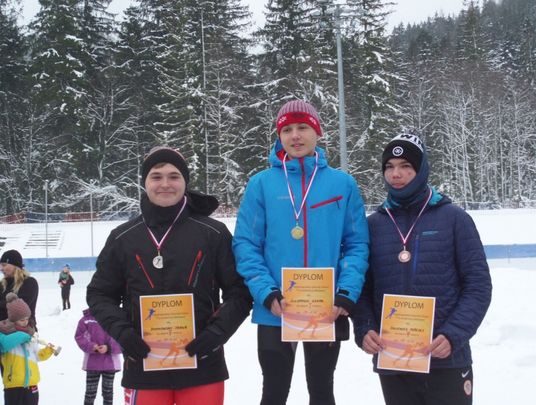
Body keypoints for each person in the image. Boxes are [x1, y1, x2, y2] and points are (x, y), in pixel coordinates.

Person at [86, 146, 252, 405]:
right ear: (145, 182)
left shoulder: (213, 233)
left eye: (174, 176)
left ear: (185, 182)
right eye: (156, 176)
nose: (165, 184)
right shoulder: (122, 237)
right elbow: (99, 294)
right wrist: (124, 334)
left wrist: (216, 334)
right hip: (143, 364)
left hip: (202, 364)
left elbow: (239, 291)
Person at [233, 99, 370, 405]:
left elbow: (357, 244)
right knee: (273, 393)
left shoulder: (342, 184)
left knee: (322, 391)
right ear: (279, 136)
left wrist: (346, 292)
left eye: (303, 127)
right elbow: (246, 244)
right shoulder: (261, 184)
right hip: (275, 308)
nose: (295, 136)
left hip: (326, 307)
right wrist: (266, 292)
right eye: (287, 130)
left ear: (317, 132)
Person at [352, 132, 492, 405]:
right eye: (389, 167)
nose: (396, 174)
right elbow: (362, 287)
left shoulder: (454, 219)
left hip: (446, 357)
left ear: (421, 169)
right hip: (394, 358)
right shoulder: (373, 225)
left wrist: (453, 335)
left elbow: (478, 286)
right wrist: (365, 327)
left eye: (406, 166)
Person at [0, 292, 55, 405]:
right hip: (13, 384)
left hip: (32, 383)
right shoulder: (4, 332)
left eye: (27, 319)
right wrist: (22, 336)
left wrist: (47, 351)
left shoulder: (30, 333)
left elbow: (37, 355)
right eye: (22, 320)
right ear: (13, 319)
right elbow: (4, 345)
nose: (25, 322)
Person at [75, 308, 122, 405]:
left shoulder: (115, 319)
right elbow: (79, 336)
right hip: (92, 363)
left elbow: (122, 339)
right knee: (90, 394)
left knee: (108, 393)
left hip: (110, 364)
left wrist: (109, 347)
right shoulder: (86, 320)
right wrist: (92, 346)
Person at [0, 250, 39, 329]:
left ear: (15, 266)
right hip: (3, 330)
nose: (1, 268)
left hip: (23, 331)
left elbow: (18, 309)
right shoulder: (2, 285)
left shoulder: (29, 282)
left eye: (4, 265)